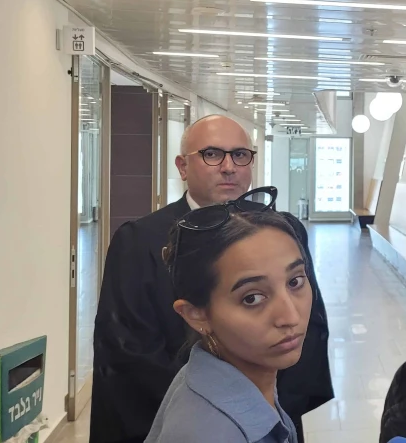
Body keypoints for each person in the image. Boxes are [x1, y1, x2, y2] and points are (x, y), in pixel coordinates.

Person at [91, 115, 332, 443]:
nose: (229, 166)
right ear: (182, 166)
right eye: (212, 154)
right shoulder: (139, 241)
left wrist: (269, 407)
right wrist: (225, 409)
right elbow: (128, 352)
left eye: (240, 154)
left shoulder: (282, 230)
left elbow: (311, 325)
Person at [146, 187, 310, 442]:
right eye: (252, 298)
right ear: (196, 314)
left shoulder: (246, 378)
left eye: (295, 281)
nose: (290, 316)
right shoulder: (208, 433)